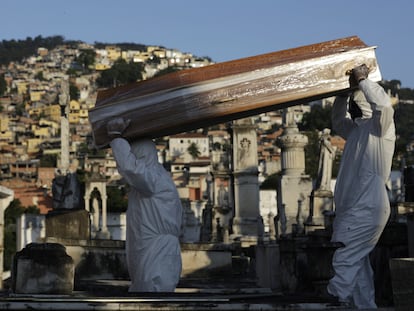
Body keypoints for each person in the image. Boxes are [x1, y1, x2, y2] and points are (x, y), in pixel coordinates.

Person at [327, 64, 395, 309]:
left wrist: (363, 80)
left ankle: (334, 299)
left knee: (345, 258)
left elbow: (384, 106)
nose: (357, 106)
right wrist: (343, 93)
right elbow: (338, 120)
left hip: (366, 208)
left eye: (360, 99)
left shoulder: (381, 130)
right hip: (355, 208)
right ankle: (364, 306)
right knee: (358, 268)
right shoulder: (356, 131)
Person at [106, 117, 183, 292]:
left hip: (155, 249)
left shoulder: (152, 178)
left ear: (142, 155)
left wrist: (116, 137)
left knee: (151, 292)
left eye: (136, 155)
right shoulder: (158, 179)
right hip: (156, 246)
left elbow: (130, 168)